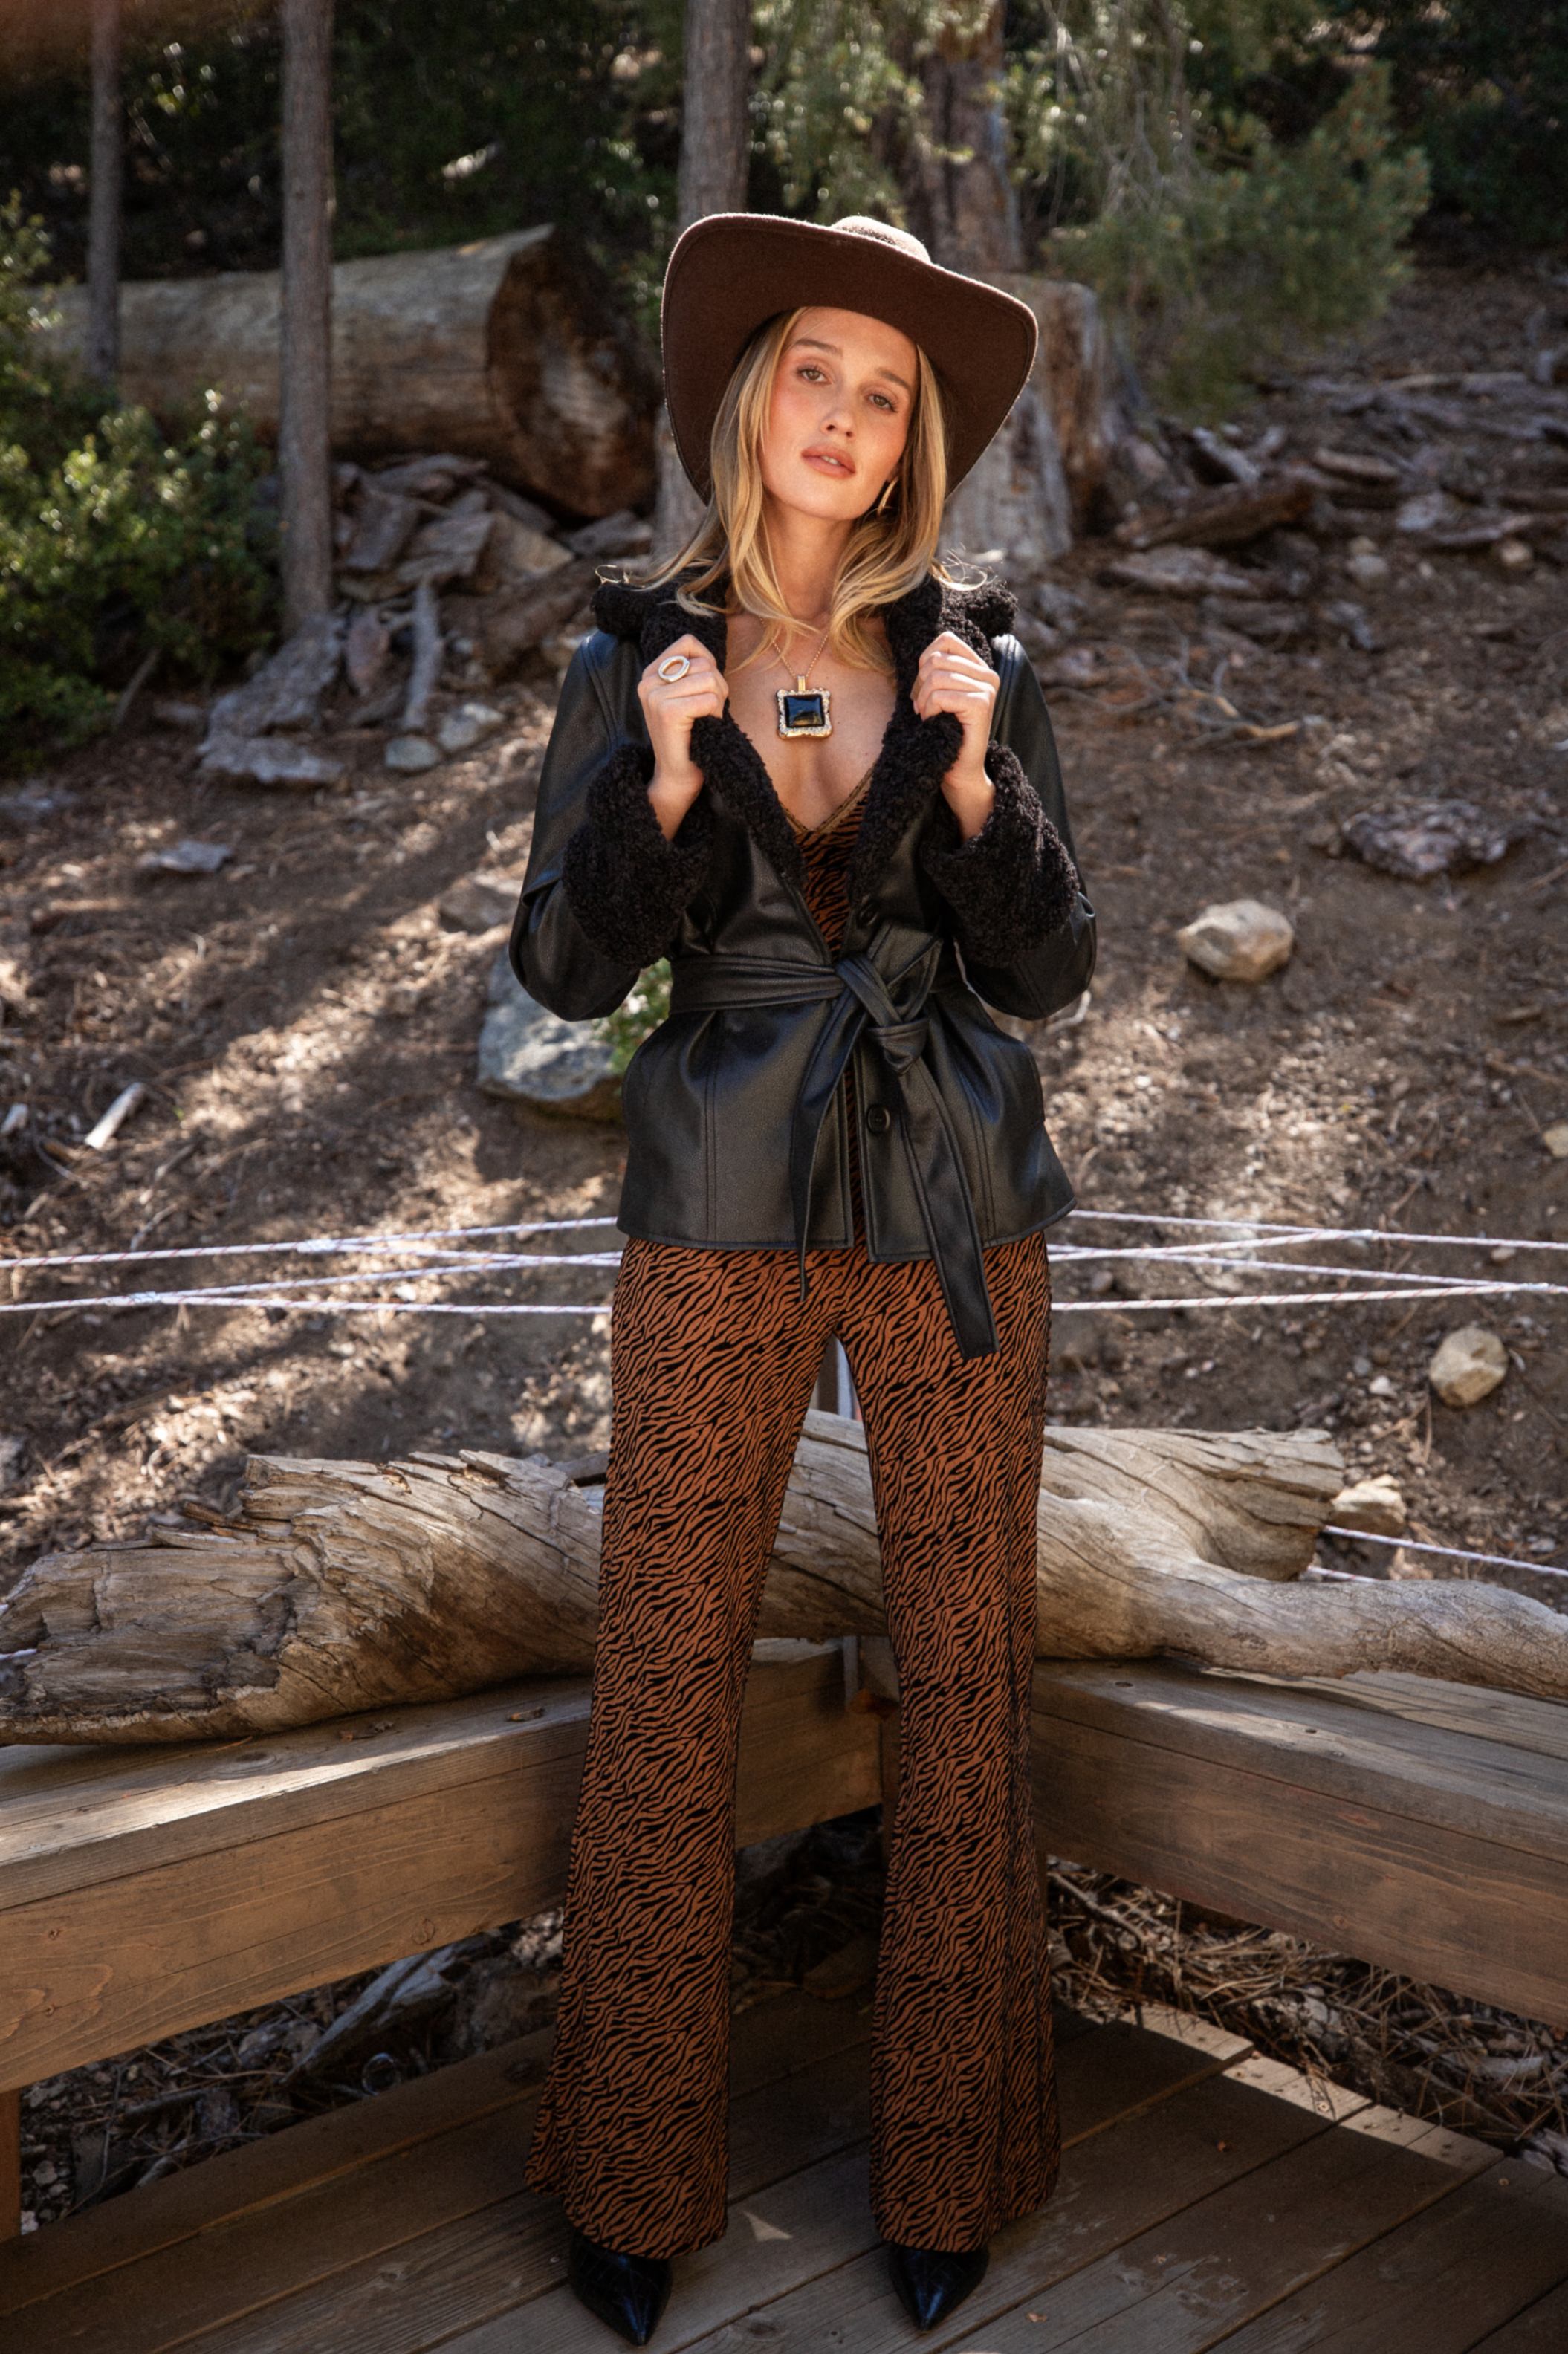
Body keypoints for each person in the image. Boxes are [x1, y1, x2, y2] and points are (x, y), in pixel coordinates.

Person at [511, 210, 1096, 2346]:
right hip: (717, 1195)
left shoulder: (979, 654)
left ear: (913, 437)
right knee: (667, 1669)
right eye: (817, 371)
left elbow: (1052, 968)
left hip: (955, 1187)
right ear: (755, 397)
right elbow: (563, 970)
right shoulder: (633, 655)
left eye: (887, 390)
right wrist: (664, 781)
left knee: (969, 1669)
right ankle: (627, 2180)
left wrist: (978, 778)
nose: (846, 416)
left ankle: (956, 2168)